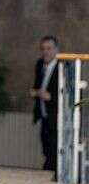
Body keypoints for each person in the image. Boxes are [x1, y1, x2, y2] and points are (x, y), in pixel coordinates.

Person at [29, 35, 59, 172]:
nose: (45, 52)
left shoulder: (63, 66)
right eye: (43, 49)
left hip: (57, 118)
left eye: (49, 48)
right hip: (44, 117)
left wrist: (50, 97)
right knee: (46, 150)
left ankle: (48, 178)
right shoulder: (40, 64)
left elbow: (69, 95)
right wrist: (35, 92)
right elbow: (38, 86)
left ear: (56, 49)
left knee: (53, 155)